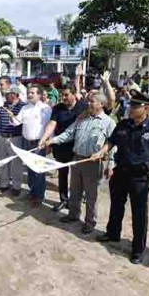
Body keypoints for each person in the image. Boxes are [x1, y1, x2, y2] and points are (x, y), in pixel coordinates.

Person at [95, 90, 149, 264]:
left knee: (139, 214)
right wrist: (102, 151)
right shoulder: (123, 125)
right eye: (130, 104)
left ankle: (137, 249)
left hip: (139, 178)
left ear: (147, 108)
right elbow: (111, 141)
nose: (130, 108)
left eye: (135, 106)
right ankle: (113, 234)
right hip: (120, 172)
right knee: (116, 206)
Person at [42, 94, 116, 233]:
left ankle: (90, 222)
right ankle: (73, 215)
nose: (88, 104)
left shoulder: (109, 123)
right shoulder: (81, 119)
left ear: (101, 104)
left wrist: (111, 165)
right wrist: (51, 141)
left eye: (92, 101)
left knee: (91, 195)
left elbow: (113, 145)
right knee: (75, 190)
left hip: (93, 162)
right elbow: (68, 134)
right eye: (89, 101)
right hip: (77, 159)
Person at [39, 84, 86, 212]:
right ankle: (64, 200)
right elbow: (52, 124)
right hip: (61, 146)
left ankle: (78, 198)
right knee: (62, 174)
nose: (63, 98)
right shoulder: (57, 108)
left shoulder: (83, 107)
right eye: (61, 95)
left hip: (78, 146)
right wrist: (44, 138)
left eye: (66, 95)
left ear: (74, 94)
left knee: (78, 175)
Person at [6, 85, 52, 205]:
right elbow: (16, 122)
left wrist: (49, 143)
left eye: (32, 93)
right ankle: (32, 192)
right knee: (30, 169)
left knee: (38, 170)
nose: (29, 94)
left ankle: (39, 196)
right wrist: (11, 117)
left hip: (39, 143)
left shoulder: (46, 108)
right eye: (28, 92)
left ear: (39, 95)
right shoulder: (25, 108)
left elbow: (50, 126)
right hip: (26, 142)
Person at [0, 86, 26, 195]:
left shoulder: (23, 107)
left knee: (16, 163)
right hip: (1, 137)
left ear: (15, 94)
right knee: (2, 162)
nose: (6, 96)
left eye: (8, 94)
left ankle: (16, 186)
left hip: (16, 138)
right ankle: (4, 184)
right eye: (6, 94)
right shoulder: (3, 106)